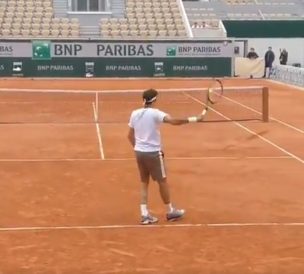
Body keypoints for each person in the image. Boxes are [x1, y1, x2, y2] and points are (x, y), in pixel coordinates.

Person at [127, 88, 204, 225]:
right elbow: (174, 121)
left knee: (144, 182)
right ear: (155, 100)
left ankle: (145, 214)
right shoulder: (156, 114)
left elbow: (129, 136)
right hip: (154, 153)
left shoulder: (134, 113)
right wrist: (194, 119)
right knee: (162, 182)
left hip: (139, 153)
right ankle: (170, 211)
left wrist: (139, 148)